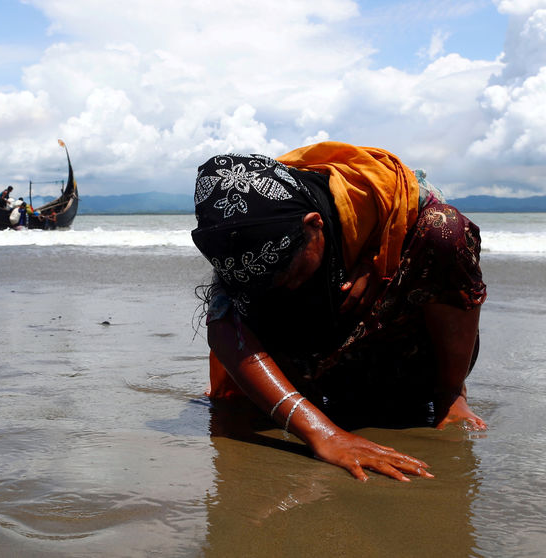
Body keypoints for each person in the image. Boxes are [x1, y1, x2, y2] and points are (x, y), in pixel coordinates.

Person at [192, 143, 487, 482]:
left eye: (288, 273)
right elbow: (224, 328)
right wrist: (324, 434)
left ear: (314, 225)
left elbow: (445, 261)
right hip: (316, 370)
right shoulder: (242, 237)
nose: (281, 287)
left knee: (444, 228)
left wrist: (377, 259)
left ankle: (450, 396)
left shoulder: (396, 196)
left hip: (402, 358)